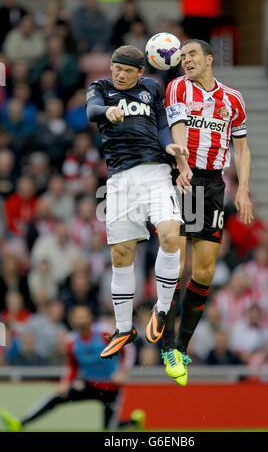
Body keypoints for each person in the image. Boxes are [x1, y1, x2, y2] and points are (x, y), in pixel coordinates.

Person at [85, 45, 189, 360]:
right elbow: (91, 111)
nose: (119, 74)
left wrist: (170, 145)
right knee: (120, 255)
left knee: (171, 235)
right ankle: (123, 328)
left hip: (156, 173)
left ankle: (160, 309)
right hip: (119, 180)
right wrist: (107, 111)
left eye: (127, 71)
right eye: (116, 68)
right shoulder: (100, 89)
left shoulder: (152, 89)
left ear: (140, 73)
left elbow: (160, 124)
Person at [161, 39, 253, 386]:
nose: (186, 61)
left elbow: (242, 149)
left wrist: (242, 188)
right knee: (176, 263)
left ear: (209, 59)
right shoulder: (177, 89)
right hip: (182, 178)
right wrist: (182, 163)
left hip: (213, 184)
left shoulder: (233, 99)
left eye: (192, 55)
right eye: (181, 57)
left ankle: (182, 346)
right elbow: (178, 131)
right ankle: (168, 346)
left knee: (205, 271)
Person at [0, 305, 140, 431]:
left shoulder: (104, 332)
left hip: (111, 387)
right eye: (77, 317)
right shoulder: (72, 341)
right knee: (56, 398)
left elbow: (128, 347)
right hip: (89, 384)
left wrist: (124, 371)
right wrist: (66, 382)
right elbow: (73, 365)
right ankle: (20, 423)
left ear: (90, 317)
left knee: (109, 428)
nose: (81, 319)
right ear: (72, 321)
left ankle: (133, 422)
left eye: (83, 316)